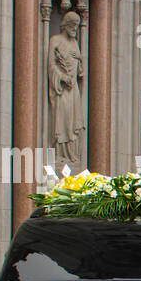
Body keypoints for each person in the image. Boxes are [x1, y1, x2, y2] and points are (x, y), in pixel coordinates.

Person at [48, 12, 86, 168]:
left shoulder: (75, 42)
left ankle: (73, 156)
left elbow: (80, 71)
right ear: (65, 24)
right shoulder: (55, 40)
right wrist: (62, 77)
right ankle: (60, 154)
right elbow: (51, 65)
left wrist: (80, 61)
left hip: (74, 89)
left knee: (74, 122)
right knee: (62, 119)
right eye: (72, 25)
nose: (74, 29)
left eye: (77, 26)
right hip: (62, 89)